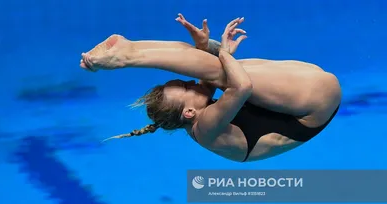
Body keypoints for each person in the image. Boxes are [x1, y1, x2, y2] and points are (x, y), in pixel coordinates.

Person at [80, 14, 341, 162]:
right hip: (315, 102)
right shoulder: (205, 129)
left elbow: (208, 69)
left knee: (212, 63)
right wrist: (223, 52)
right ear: (190, 112)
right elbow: (242, 86)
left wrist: (207, 47)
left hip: (296, 100)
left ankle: (132, 46)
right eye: (186, 86)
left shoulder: (198, 112)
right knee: (219, 70)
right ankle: (128, 57)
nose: (192, 82)